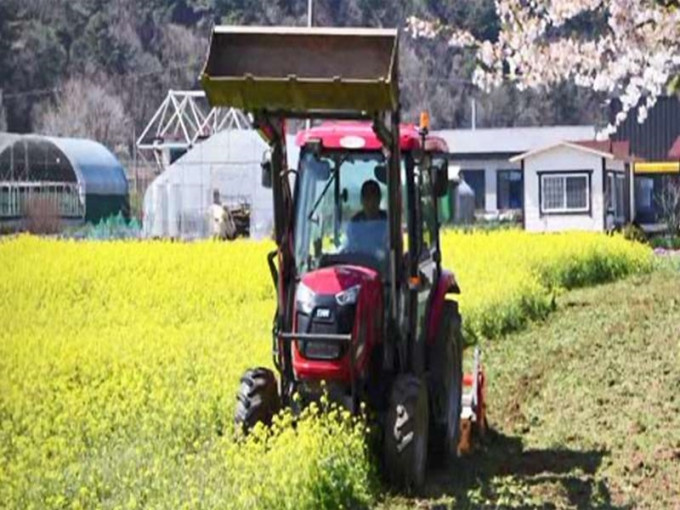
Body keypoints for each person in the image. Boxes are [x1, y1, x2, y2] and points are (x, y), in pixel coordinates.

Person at [345, 179, 388, 256]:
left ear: (379, 199)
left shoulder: (389, 222)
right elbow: (350, 250)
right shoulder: (354, 224)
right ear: (361, 200)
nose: (371, 203)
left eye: (374, 197)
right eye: (367, 198)